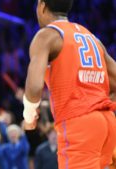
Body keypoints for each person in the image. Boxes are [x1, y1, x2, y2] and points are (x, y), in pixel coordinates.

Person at [22, 0, 116, 168]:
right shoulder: (91, 36)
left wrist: (29, 116)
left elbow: (34, 87)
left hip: (79, 123)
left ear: (42, 5)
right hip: (107, 122)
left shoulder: (46, 35)